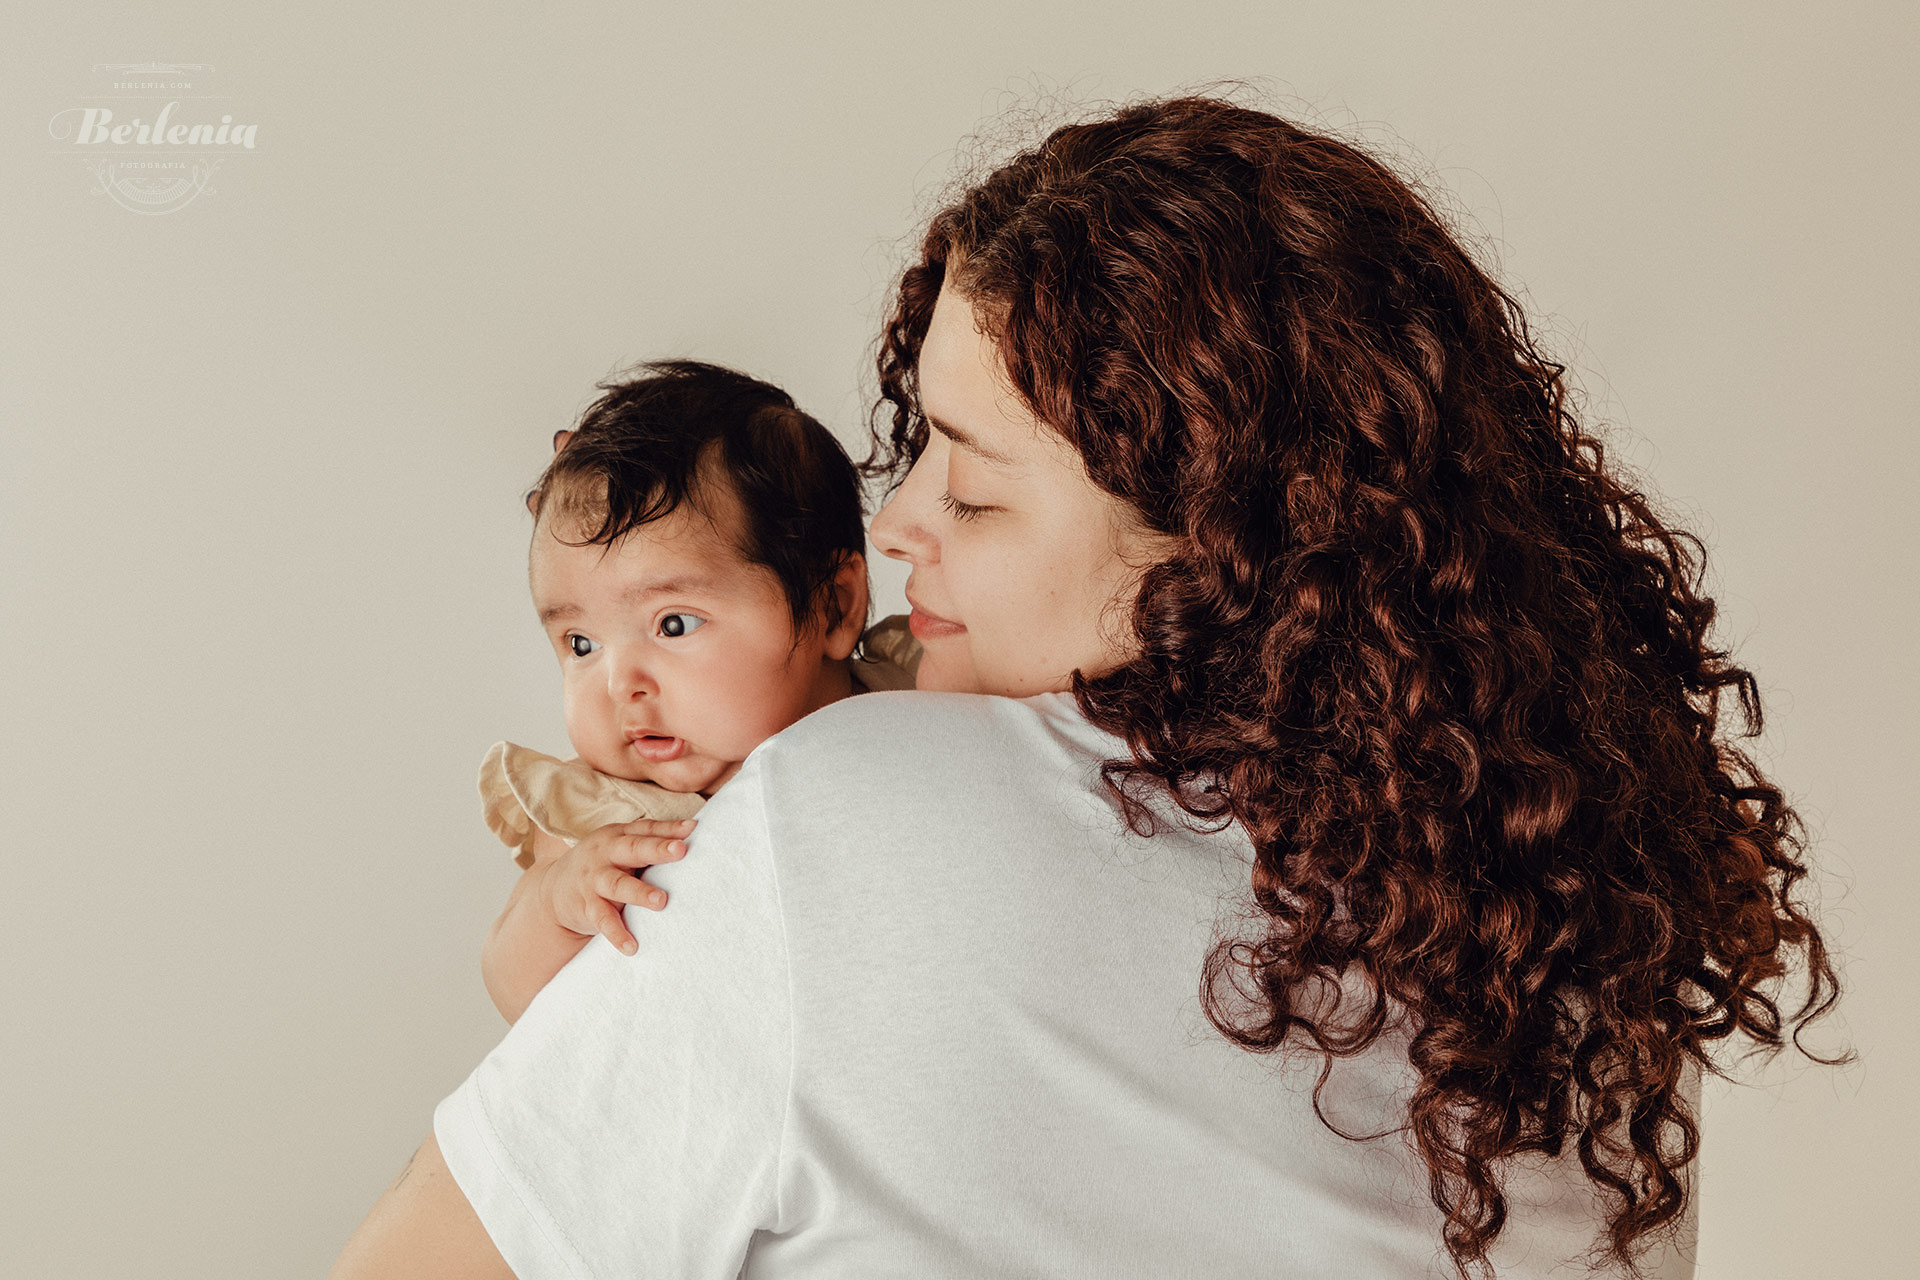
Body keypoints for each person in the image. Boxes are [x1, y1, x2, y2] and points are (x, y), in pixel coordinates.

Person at [330, 96, 1844, 1279]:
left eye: (973, 492)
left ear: (1221, 552)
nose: (901, 520)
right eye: (912, 444)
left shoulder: (847, 829)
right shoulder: (1557, 975)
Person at [479, 359, 920, 1021]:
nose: (620, 683)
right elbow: (515, 993)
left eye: (673, 625)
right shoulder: (609, 819)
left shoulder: (911, 690)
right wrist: (560, 905)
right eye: (580, 645)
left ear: (833, 606)